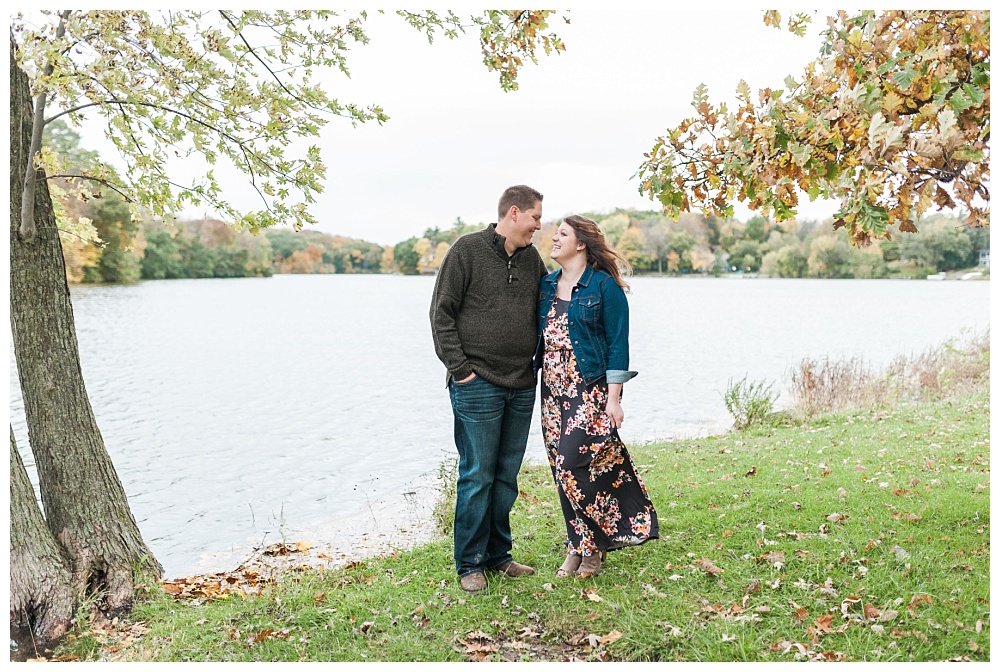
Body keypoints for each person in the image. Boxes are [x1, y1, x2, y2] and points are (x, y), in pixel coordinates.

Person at [430, 185, 550, 593]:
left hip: (521, 384)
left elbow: (551, 308)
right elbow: (440, 314)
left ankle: (499, 557)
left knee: (505, 475)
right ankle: (470, 563)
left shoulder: (533, 260)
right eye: (535, 217)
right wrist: (460, 370)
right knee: (477, 474)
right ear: (514, 213)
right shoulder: (467, 250)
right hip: (476, 383)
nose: (539, 225)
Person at [535, 215, 659, 578]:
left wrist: (614, 399)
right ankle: (579, 546)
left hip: (588, 389)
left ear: (581, 243)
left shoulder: (605, 288)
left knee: (572, 466)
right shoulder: (546, 285)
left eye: (562, 234)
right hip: (552, 390)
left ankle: (594, 547)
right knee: (561, 470)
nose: (553, 239)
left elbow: (618, 347)